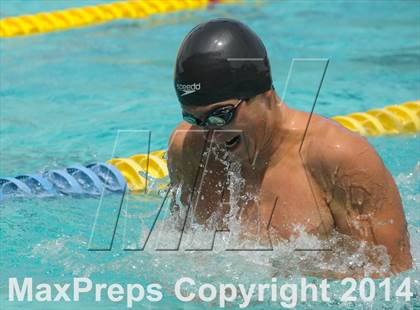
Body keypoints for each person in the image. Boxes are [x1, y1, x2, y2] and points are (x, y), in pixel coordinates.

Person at [167, 18, 412, 276]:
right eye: (194, 119)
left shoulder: (340, 159)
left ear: (264, 95)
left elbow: (394, 282)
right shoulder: (188, 149)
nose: (211, 134)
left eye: (221, 115)